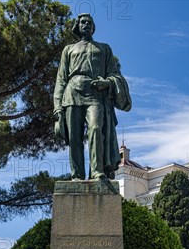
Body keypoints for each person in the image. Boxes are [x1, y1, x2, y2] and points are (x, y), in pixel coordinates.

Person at [53, 13, 132, 181]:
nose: (86, 24)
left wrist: (108, 82)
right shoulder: (68, 49)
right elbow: (61, 79)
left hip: (96, 95)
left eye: (89, 22)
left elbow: (115, 74)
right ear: (78, 26)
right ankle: (77, 175)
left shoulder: (104, 48)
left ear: (93, 27)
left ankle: (97, 171)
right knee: (74, 137)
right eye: (83, 22)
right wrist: (58, 110)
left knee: (96, 129)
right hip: (71, 94)